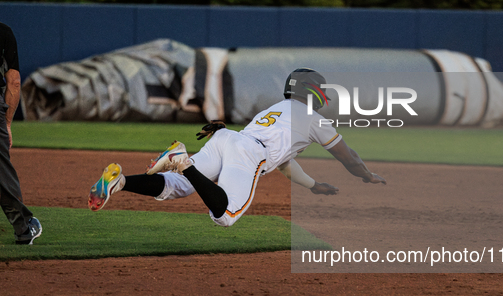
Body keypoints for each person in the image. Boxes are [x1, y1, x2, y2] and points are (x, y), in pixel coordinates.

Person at [88, 68, 386, 226]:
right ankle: (183, 161)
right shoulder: (314, 119)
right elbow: (350, 158)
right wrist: (367, 175)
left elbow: (283, 161)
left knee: (176, 186)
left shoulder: (279, 109)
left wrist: (312, 185)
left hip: (227, 139)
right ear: (311, 90)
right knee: (227, 215)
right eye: (322, 89)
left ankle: (121, 181)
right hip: (248, 151)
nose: (324, 95)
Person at [0, 22, 42, 244]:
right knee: (1, 170)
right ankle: (24, 227)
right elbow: (14, 82)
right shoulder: (3, 32)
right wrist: (7, 124)